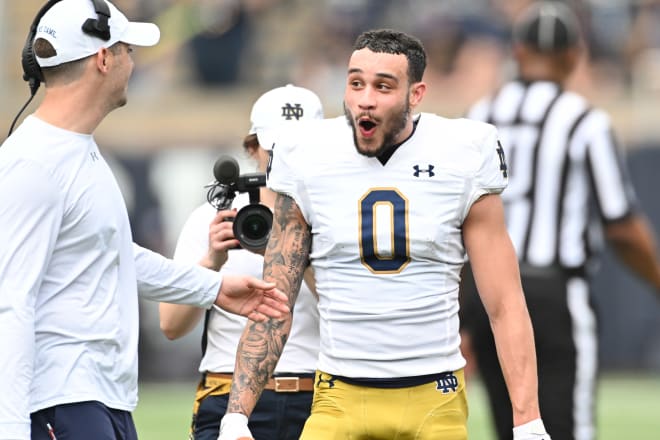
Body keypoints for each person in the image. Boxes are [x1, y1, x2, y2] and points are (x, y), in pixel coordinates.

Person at [219, 28, 552, 440]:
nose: (366, 98)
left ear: (416, 94)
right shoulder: (305, 153)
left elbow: (504, 303)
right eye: (355, 83)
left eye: (383, 86)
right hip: (338, 397)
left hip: (435, 395)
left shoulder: (464, 150)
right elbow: (274, 301)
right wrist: (236, 416)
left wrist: (528, 419)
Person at [0, 1, 288, 439]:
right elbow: (11, 303)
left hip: (96, 398)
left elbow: (112, 253)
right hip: (60, 403)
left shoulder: (75, 150)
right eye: (127, 50)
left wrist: (213, 288)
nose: (133, 63)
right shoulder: (34, 163)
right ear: (103, 59)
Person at [460, 2, 660, 440]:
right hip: (554, 293)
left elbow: (455, 219)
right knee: (568, 430)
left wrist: (461, 308)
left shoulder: (480, 115)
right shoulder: (584, 122)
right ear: (573, 55)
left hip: (486, 294)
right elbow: (621, 225)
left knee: (510, 427)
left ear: (517, 51)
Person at [159, 84, 323, 440]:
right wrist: (212, 261)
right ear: (252, 148)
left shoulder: (333, 217)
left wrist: (291, 260)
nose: (289, 157)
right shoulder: (211, 217)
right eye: (277, 147)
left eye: (303, 146)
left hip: (319, 400)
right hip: (226, 392)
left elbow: (353, 312)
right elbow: (171, 325)